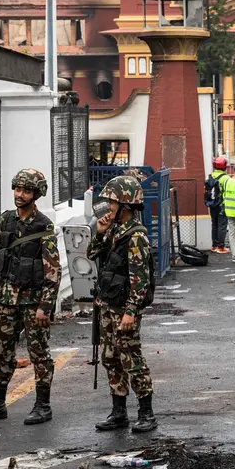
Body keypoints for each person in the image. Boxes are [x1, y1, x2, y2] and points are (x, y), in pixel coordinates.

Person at [0, 168, 60, 426]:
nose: (20, 195)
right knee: (1, 351)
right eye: (17, 189)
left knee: (38, 353)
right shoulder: (5, 221)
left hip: (33, 302)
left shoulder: (44, 225)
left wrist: (46, 305)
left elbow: (53, 269)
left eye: (26, 190)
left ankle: (42, 406)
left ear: (36, 194)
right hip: (6, 298)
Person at [88, 175, 158, 433]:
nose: (109, 207)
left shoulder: (136, 237)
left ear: (126, 205)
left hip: (123, 309)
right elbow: (92, 253)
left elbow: (140, 280)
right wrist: (100, 233)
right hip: (107, 305)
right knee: (110, 357)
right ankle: (119, 412)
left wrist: (131, 312)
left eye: (113, 202)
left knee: (131, 358)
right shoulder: (115, 230)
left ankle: (146, 412)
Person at [205, 156, 230, 254]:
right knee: (222, 225)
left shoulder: (209, 176)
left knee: (214, 224)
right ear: (224, 166)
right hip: (222, 204)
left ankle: (214, 246)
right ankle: (221, 247)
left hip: (212, 204)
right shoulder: (226, 178)